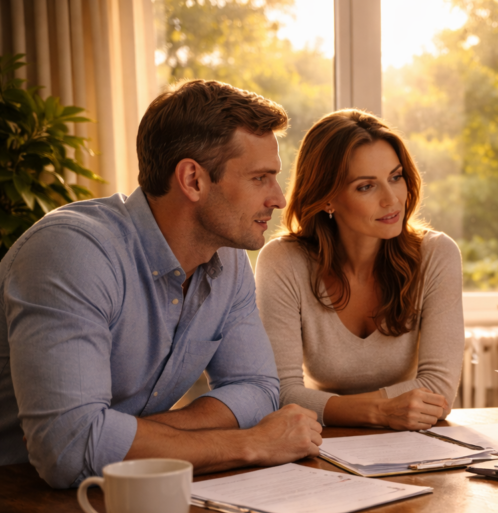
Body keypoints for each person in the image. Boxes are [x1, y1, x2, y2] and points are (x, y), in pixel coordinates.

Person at [0, 79, 324, 491]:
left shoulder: (227, 258)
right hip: (17, 498)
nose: (279, 198)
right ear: (192, 180)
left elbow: (258, 389)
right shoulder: (72, 253)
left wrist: (117, 434)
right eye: (261, 178)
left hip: (113, 491)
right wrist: (250, 444)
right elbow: (67, 450)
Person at [255, 110, 463, 431]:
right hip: (322, 441)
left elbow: (438, 388)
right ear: (327, 199)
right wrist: (378, 412)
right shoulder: (283, 262)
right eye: (366, 187)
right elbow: (279, 392)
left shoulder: (436, 254)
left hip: (410, 441)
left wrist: (334, 406)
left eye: (396, 177)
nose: (392, 199)